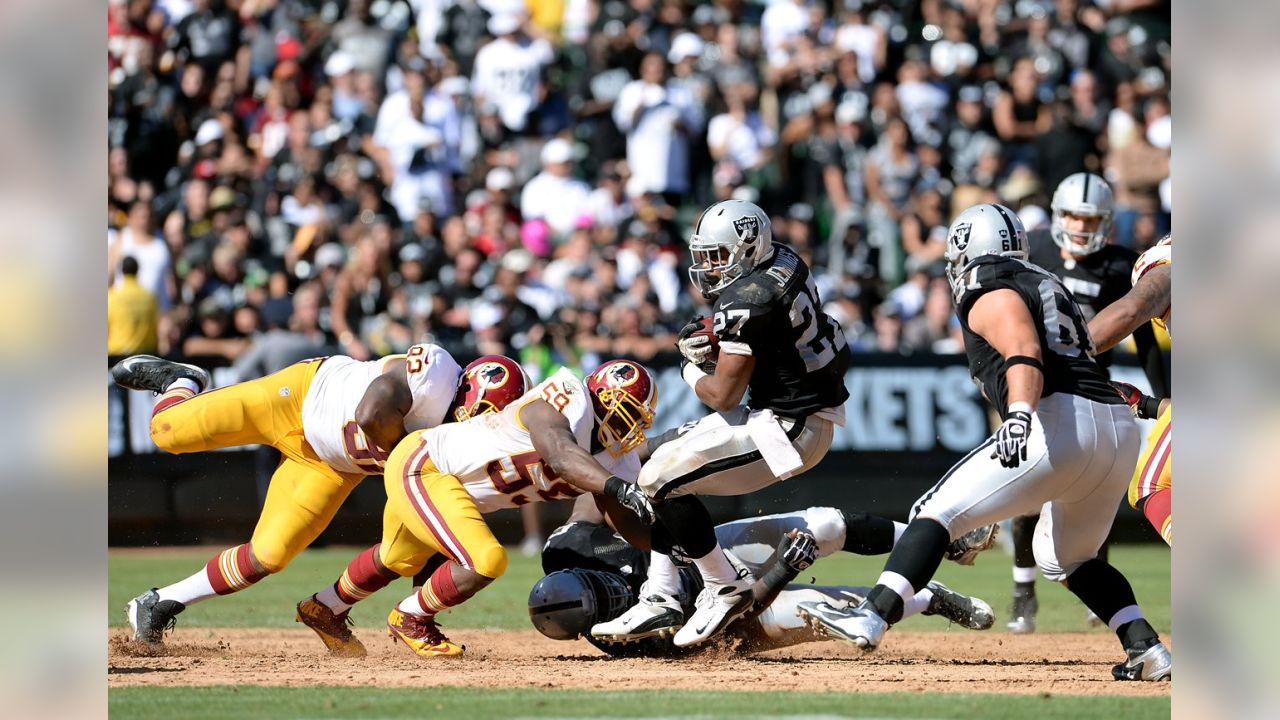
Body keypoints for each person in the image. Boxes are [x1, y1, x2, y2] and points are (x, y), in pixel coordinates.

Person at [795, 204, 1171, 683]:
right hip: (1114, 427)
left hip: (1056, 418)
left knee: (934, 511)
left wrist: (1018, 416)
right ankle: (1146, 647)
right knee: (1066, 556)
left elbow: (1023, 349)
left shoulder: (985, 278)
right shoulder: (1046, 279)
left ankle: (872, 615)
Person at [590, 199, 853, 649]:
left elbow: (723, 395)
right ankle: (662, 593)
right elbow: (769, 332)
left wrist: (690, 366)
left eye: (719, 256)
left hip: (790, 428)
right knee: (641, 459)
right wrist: (721, 334)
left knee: (659, 481)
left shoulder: (748, 298)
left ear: (750, 248)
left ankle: (722, 586)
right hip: (784, 409)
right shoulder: (783, 259)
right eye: (706, 256)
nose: (710, 267)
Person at [110, 344, 483, 644]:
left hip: (330, 465)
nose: (482, 425)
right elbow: (372, 412)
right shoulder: (438, 373)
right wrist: (404, 456)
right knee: (166, 431)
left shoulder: (458, 449)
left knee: (267, 556)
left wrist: (422, 609)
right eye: (484, 414)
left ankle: (156, 605)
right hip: (301, 396)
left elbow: (433, 528)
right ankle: (182, 380)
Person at [299, 359, 660, 658]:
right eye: (626, 412)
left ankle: (325, 606)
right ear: (600, 396)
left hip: (448, 486)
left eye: (638, 420)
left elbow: (630, 529)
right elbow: (561, 456)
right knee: (485, 560)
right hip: (426, 464)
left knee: (398, 556)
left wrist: (672, 545)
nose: (628, 428)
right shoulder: (565, 398)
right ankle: (411, 616)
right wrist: (618, 487)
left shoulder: (618, 458)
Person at [1005, 172, 1169, 633]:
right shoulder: (1031, 250)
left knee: (1098, 489)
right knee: (1027, 485)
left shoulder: (1122, 266)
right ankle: (1023, 589)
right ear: (1057, 215)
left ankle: (1097, 594)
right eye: (1074, 215)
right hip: (1034, 383)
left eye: (1091, 217)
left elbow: (1146, 330)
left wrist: (1163, 397)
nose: (1080, 225)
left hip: (1094, 392)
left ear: (1107, 221)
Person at [530, 495, 996, 657]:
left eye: (600, 583)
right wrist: (782, 570)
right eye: (609, 602)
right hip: (731, 618)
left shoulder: (566, 547)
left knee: (828, 524)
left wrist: (615, 477)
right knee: (834, 614)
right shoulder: (629, 638)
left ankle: (936, 539)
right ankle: (928, 597)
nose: (617, 593)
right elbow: (737, 610)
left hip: (701, 554)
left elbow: (591, 501)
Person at [1089, 235, 1172, 545]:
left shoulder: (1167, 264)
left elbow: (1131, 310)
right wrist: (1146, 404)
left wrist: (1065, 353)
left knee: (1150, 486)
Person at [107, 256, 159, 356]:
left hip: (116, 358)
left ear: (122, 271)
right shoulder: (150, 297)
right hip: (144, 357)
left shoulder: (112, 296)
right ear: (137, 270)